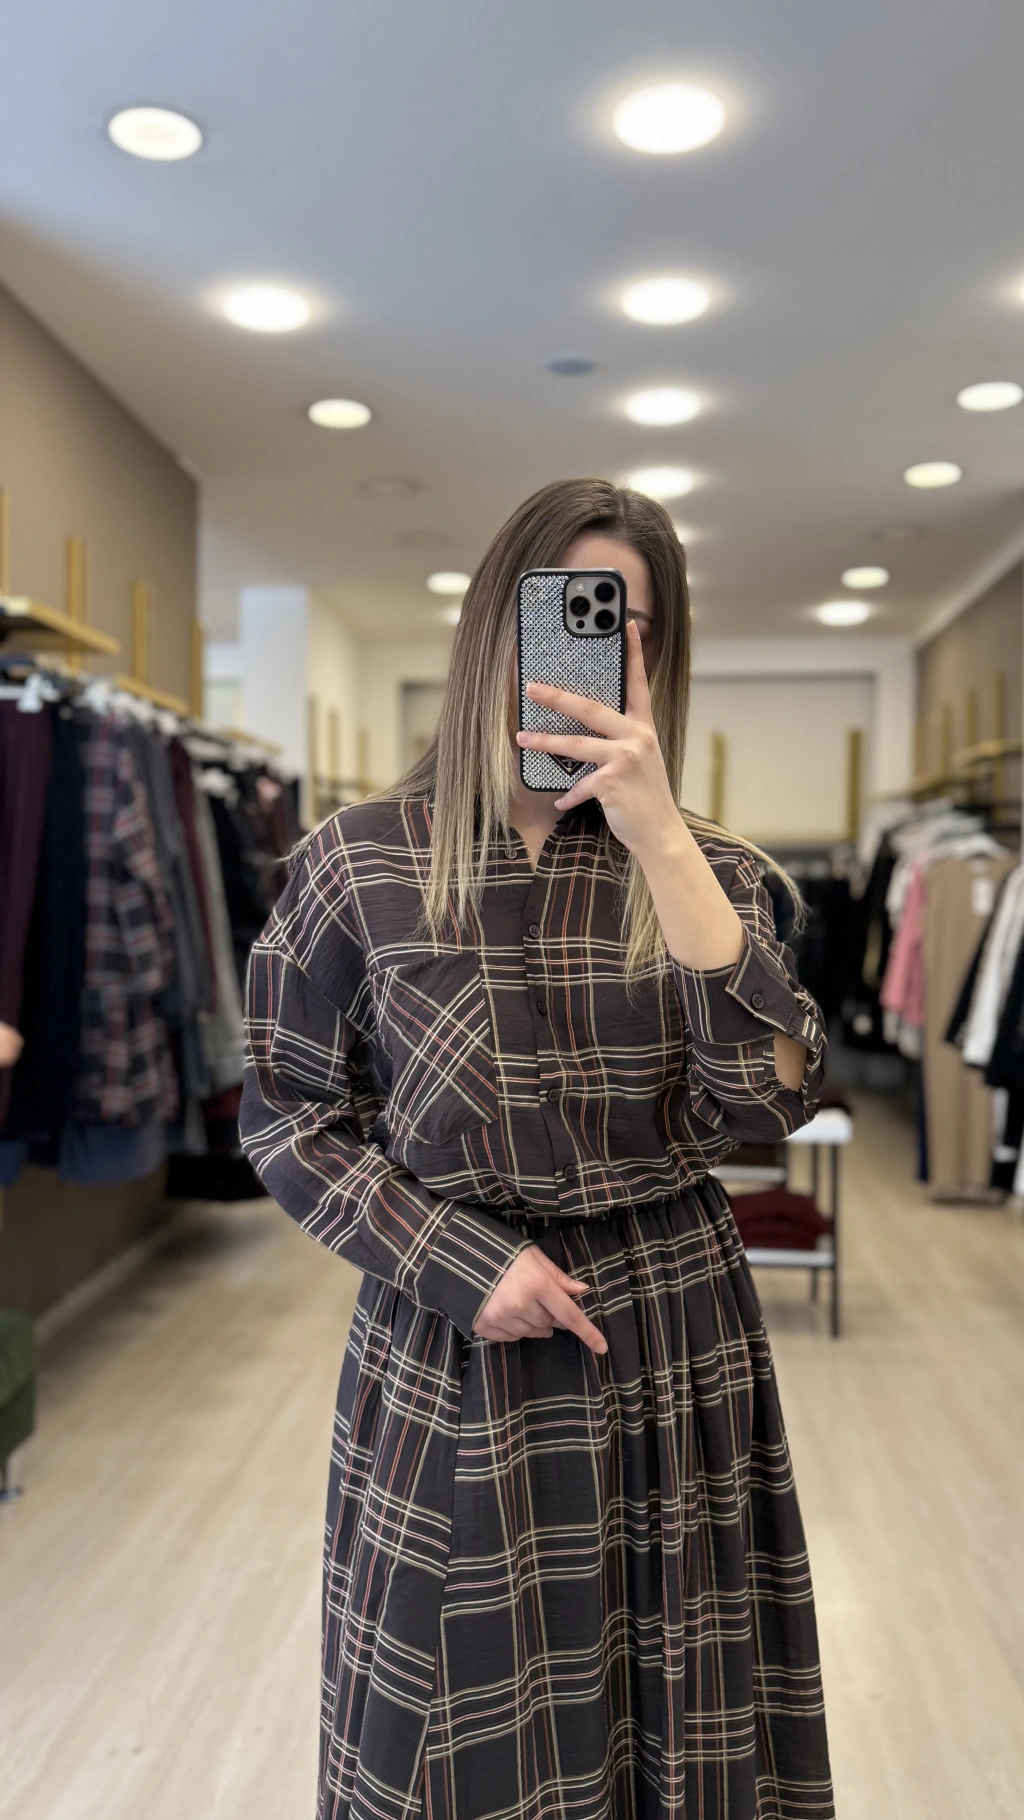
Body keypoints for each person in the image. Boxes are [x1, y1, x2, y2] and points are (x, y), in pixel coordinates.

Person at [239, 477, 834, 1820]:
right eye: (561, 610)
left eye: (626, 621)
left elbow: (774, 1101)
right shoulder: (358, 863)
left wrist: (661, 840)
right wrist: (459, 1261)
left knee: (683, 1713)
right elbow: (286, 1113)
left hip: (670, 1326)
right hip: (455, 1341)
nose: (591, 647)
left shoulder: (714, 873)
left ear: (658, 655)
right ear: (491, 631)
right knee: (447, 1731)